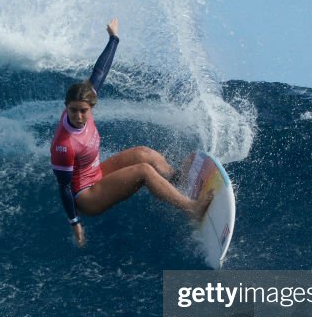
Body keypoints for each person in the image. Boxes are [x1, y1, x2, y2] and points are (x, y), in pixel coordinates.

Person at [50, 18, 212, 247]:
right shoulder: (63, 144)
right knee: (143, 171)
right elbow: (64, 187)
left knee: (143, 153)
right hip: (86, 197)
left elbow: (99, 72)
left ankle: (175, 179)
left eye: (83, 111)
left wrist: (113, 38)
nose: (78, 116)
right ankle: (192, 208)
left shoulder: (86, 98)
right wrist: (75, 223)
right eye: (73, 110)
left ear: (91, 106)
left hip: (95, 173)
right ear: (66, 107)